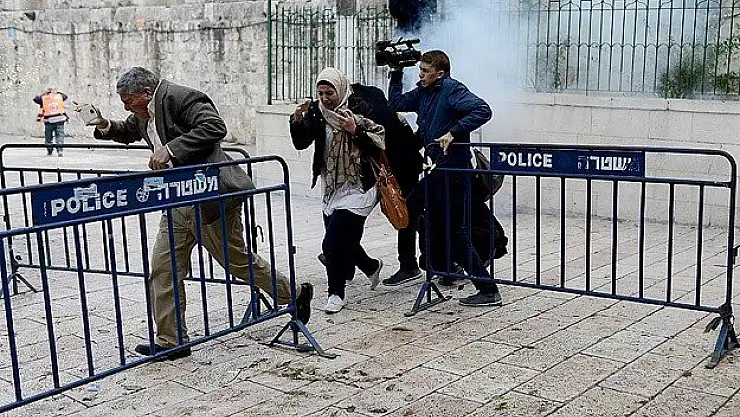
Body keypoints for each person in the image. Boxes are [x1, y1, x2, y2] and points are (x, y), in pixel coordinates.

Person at [84, 67, 314, 359]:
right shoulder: (145, 112)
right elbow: (128, 130)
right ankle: (172, 340)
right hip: (177, 199)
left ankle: (294, 293)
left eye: (128, 101)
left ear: (146, 93)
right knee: (163, 268)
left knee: (237, 262)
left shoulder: (180, 97)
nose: (127, 108)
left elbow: (215, 127)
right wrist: (104, 124)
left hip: (209, 196)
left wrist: (170, 150)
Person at [387, 50, 503, 306]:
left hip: (454, 174)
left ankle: (488, 290)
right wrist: (396, 72)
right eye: (420, 70)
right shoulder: (423, 92)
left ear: (439, 73)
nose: (420, 75)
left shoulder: (452, 89)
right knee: (415, 211)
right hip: (436, 172)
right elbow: (395, 104)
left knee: (457, 234)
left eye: (425, 71)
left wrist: (454, 132)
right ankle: (443, 268)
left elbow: (483, 110)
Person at [289, 67, 386, 314]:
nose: (325, 98)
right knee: (346, 240)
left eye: (329, 93)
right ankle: (371, 266)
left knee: (331, 243)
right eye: (320, 93)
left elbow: (379, 143)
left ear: (340, 90)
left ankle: (335, 294)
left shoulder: (359, 107)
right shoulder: (318, 111)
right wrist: (297, 121)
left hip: (359, 186)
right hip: (332, 185)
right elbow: (302, 143)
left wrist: (355, 130)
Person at [33, 87, 71, 156]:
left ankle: (50, 150)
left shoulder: (43, 97)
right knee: (60, 135)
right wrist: (57, 92)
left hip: (49, 121)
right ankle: (60, 150)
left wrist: (44, 93)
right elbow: (67, 98)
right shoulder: (60, 96)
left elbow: (35, 99)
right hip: (59, 119)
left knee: (48, 137)